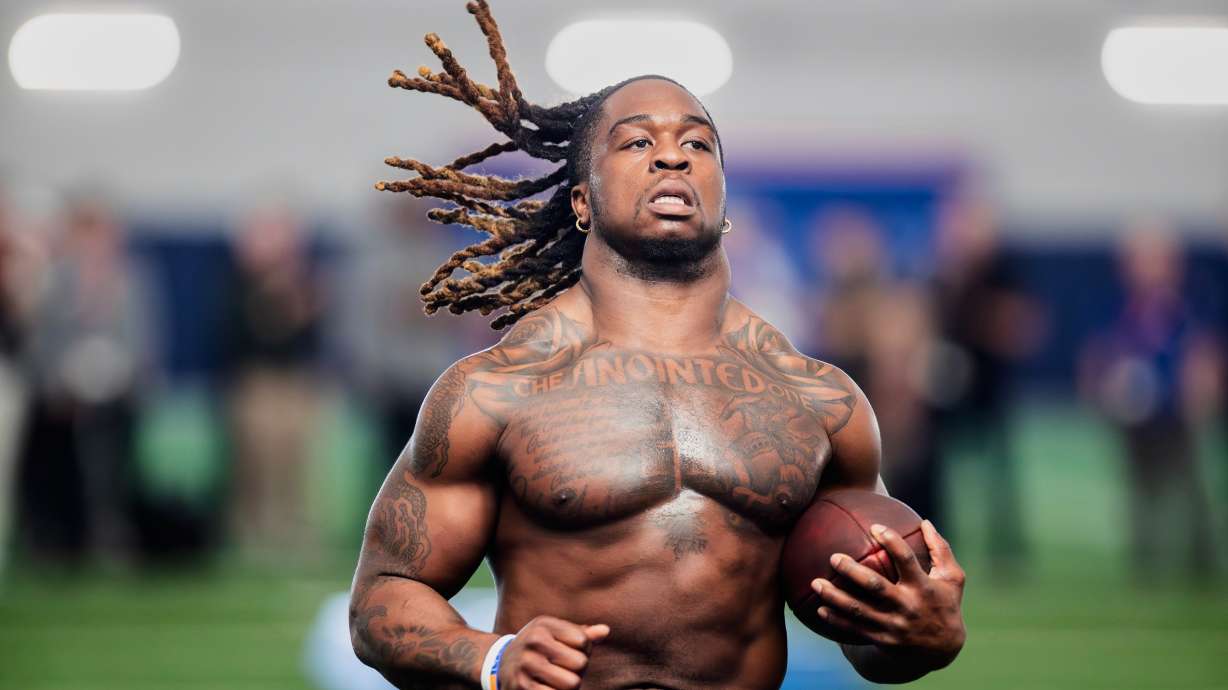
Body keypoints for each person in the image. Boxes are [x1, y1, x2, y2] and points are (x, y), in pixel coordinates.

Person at [349, 3, 967, 688]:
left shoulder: (820, 400)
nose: (673, 154)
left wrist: (923, 636)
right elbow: (380, 600)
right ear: (582, 201)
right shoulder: (497, 389)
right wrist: (490, 660)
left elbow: (868, 634)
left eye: (698, 145)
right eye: (637, 143)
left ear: (724, 201)